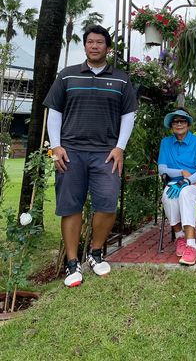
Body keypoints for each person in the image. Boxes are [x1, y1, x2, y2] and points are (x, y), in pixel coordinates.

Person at [44, 25, 137, 287]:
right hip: (70, 152)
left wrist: (120, 147)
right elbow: (55, 111)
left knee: (108, 205)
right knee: (70, 207)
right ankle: (72, 264)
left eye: (99, 42)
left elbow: (128, 115)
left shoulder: (121, 79)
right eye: (90, 42)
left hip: (106, 154)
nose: (94, 46)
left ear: (108, 48)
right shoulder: (67, 76)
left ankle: (95, 254)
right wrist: (56, 146)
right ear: (84, 46)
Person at [158, 108, 196, 266]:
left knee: (185, 192)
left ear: (188, 124)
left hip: (195, 183)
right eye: (176, 121)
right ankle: (180, 236)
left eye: (183, 121)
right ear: (171, 125)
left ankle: (191, 245)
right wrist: (181, 172)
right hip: (174, 182)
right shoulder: (166, 142)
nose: (179, 124)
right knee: (168, 195)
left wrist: (187, 180)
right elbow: (162, 169)